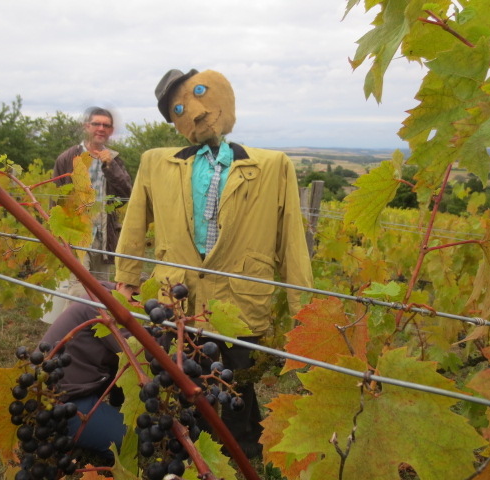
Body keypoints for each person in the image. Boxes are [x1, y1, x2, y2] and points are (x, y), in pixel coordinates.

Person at [114, 69, 313, 457]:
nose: (197, 111)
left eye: (199, 94)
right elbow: (134, 222)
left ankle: (243, 452)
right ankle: (192, 450)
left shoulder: (273, 166)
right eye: (180, 108)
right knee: (183, 381)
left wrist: (303, 311)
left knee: (239, 381)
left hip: (243, 298)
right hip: (177, 298)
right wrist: (126, 280)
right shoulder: (155, 162)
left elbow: (292, 242)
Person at [39, 281, 137, 461]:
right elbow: (138, 350)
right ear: (121, 285)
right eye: (135, 296)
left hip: (77, 388)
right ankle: (69, 430)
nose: (138, 304)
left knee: (120, 365)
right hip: (60, 403)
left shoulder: (101, 295)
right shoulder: (101, 307)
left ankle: (107, 416)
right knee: (130, 440)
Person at [52, 106, 132, 291]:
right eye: (96, 124)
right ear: (87, 126)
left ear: (111, 131)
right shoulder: (67, 158)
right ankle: (75, 320)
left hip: (104, 235)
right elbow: (55, 199)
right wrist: (58, 234)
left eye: (106, 125)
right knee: (78, 288)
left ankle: (97, 320)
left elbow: (126, 193)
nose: (101, 129)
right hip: (76, 232)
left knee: (101, 289)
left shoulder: (115, 159)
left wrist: (110, 166)